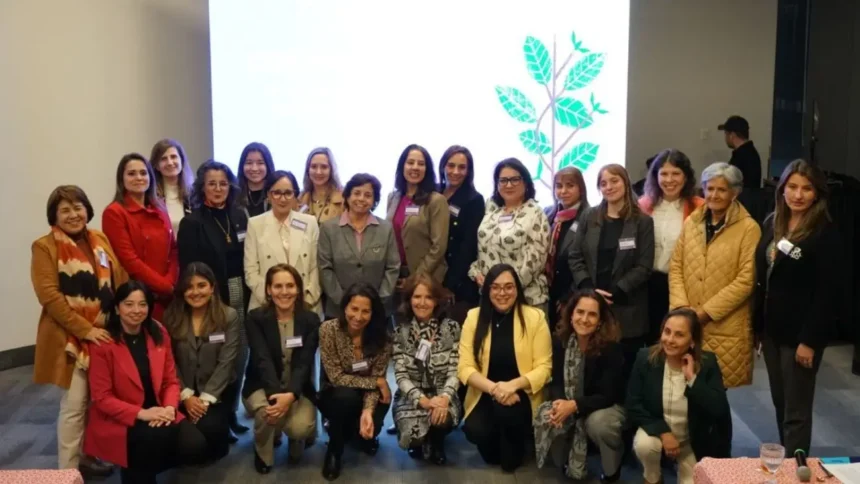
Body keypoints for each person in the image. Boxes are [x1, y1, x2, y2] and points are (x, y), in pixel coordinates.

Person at [31, 185, 128, 476]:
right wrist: (85, 329)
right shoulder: (44, 246)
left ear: (87, 209)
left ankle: (86, 457)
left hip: (105, 331)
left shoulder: (99, 238)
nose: (73, 215)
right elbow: (49, 296)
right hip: (70, 337)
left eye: (78, 207)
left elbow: (118, 277)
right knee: (74, 405)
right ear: (54, 215)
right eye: (65, 210)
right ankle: (67, 472)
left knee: (95, 402)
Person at [753, 159, 843, 456]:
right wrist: (758, 327)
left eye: (806, 188)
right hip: (772, 331)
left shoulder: (825, 232)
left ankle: (795, 467)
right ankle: (787, 459)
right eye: (792, 187)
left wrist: (810, 341)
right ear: (782, 189)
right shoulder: (772, 222)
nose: (798, 195)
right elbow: (763, 278)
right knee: (780, 402)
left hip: (800, 336)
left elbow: (828, 294)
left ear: (817, 193)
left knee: (797, 410)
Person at [84, 281, 207, 484]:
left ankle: (139, 471)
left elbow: (170, 380)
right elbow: (102, 398)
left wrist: (168, 407)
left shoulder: (158, 332)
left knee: (195, 444)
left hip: (158, 409)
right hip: (123, 417)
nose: (136, 310)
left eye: (142, 304)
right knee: (150, 442)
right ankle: (137, 474)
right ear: (117, 307)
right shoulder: (103, 343)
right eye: (129, 304)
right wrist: (142, 414)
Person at [669, 162, 760, 388]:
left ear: (735, 192)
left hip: (724, 325)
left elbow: (746, 280)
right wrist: (682, 308)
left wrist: (704, 313)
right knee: (683, 391)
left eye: (722, 189)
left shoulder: (749, 228)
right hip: (686, 321)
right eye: (709, 189)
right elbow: (676, 266)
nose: (714, 195)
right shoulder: (692, 222)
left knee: (715, 397)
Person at [177, 160, 251, 438]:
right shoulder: (192, 222)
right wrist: (202, 295)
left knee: (239, 355)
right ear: (202, 187)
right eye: (212, 183)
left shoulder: (239, 215)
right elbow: (189, 268)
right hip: (210, 296)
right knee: (215, 356)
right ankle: (212, 412)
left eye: (223, 183)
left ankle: (230, 412)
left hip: (240, 293)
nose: (218, 188)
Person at [458, 264, 552, 473]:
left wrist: (512, 386)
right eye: (496, 287)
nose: (502, 293)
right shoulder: (474, 317)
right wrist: (496, 389)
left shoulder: (535, 317)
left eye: (509, 287)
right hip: (485, 391)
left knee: (509, 463)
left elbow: (544, 368)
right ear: (487, 290)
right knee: (477, 433)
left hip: (521, 394)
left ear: (517, 289)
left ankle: (515, 439)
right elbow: (464, 367)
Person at [626, 308, 732, 484]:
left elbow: (719, 408)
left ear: (692, 342)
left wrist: (692, 379)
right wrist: (663, 432)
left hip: (692, 442)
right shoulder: (645, 358)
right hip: (659, 437)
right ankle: (652, 476)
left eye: (679, 335)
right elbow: (633, 404)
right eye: (667, 332)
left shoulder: (708, 363)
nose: (670, 340)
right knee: (645, 446)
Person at [569, 164, 654, 380]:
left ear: (625, 182)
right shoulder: (589, 217)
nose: (609, 187)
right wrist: (589, 290)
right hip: (592, 306)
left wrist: (616, 291)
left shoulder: (642, 221)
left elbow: (644, 266)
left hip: (627, 308)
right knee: (595, 372)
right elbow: (575, 255)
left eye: (614, 181)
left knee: (625, 372)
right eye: (603, 183)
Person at [534, 290, 625, 483]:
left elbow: (608, 394)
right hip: (573, 403)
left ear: (600, 320)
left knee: (597, 424)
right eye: (580, 312)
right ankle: (564, 460)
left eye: (592, 314)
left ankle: (612, 472)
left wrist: (574, 406)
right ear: (571, 314)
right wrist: (560, 404)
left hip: (606, 408)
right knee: (547, 413)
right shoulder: (561, 341)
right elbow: (557, 380)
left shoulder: (611, 347)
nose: (584, 319)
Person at [244, 264, 320, 473]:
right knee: (267, 414)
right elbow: (262, 360)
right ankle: (263, 453)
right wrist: (277, 395)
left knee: (300, 427)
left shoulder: (310, 320)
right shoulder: (255, 318)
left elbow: (304, 363)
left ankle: (296, 440)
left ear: (298, 289)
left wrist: (291, 395)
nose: (284, 292)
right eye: (277, 286)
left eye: (290, 286)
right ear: (268, 289)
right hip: (262, 384)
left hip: (297, 387)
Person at [163, 262, 240, 462]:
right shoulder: (171, 317)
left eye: (201, 285)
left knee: (212, 433)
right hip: (182, 390)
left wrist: (204, 401)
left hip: (216, 393)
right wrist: (186, 396)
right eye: (189, 287)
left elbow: (227, 362)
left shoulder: (228, 316)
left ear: (212, 287)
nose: (195, 292)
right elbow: (168, 361)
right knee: (187, 441)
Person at [318, 283, 393, 481]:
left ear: (373, 313)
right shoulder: (328, 330)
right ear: (345, 307)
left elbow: (378, 379)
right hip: (335, 393)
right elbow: (335, 377)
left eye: (365, 311)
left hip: (365, 394)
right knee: (345, 397)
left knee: (374, 417)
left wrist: (368, 410)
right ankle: (334, 449)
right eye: (354, 309)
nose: (358, 317)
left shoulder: (382, 339)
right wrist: (376, 381)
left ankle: (357, 434)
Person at [391, 274, 461, 464]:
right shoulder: (400, 331)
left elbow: (455, 370)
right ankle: (420, 441)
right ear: (409, 299)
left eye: (429, 297)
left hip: (443, 394)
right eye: (417, 296)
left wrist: (444, 397)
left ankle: (437, 442)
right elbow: (400, 374)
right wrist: (421, 399)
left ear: (437, 301)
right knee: (413, 438)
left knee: (442, 418)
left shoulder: (452, 328)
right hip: (411, 397)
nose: (422, 303)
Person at [102, 153, 178, 321]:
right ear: (122, 179)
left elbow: (172, 250)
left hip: (169, 298)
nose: (138, 178)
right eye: (131, 173)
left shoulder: (160, 207)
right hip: (138, 301)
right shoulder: (114, 213)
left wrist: (171, 283)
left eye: (143, 173)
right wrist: (165, 286)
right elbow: (129, 260)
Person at [638, 149, 704, 344]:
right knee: (650, 341)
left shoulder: (699, 208)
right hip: (646, 285)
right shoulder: (642, 206)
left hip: (682, 286)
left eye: (676, 173)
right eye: (664, 174)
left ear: (686, 177)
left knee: (677, 340)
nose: (669, 180)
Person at [469, 158, 551, 312]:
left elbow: (535, 260)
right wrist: (476, 272)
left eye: (515, 179)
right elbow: (484, 249)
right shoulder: (492, 211)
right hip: (490, 298)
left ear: (525, 182)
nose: (508, 185)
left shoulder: (535, 212)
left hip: (526, 300)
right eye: (503, 180)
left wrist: (505, 290)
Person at [318, 173, 400, 318]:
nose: (361, 199)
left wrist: (376, 302)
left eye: (368, 195)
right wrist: (344, 301)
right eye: (356, 193)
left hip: (376, 311)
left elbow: (392, 268)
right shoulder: (329, 228)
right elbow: (325, 269)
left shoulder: (385, 228)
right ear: (347, 196)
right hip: (338, 310)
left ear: (374, 200)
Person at [245, 170, 321, 313]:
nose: (283, 198)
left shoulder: (309, 222)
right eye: (277, 193)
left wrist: (307, 300)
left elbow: (316, 267)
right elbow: (251, 270)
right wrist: (271, 300)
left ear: (295, 195)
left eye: (288, 193)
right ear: (268, 195)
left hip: (305, 304)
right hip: (265, 306)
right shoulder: (255, 224)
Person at [386, 144, 450, 286]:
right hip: (395, 276)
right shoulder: (393, 197)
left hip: (426, 278)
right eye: (410, 162)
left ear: (427, 170)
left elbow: (438, 247)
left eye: (421, 164)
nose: (415, 167)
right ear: (402, 166)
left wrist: (416, 277)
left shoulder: (436, 200)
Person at [437, 145, 484, 323]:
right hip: (431, 277)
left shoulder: (474, 199)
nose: (455, 171)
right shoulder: (434, 192)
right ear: (443, 166)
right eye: (451, 165)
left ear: (469, 171)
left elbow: (468, 246)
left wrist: (449, 285)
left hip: (458, 285)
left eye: (462, 167)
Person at [545, 167, 590, 329]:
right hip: (546, 292)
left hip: (572, 294)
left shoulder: (589, 216)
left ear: (581, 188)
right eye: (559, 186)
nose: (563, 191)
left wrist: (569, 298)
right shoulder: (549, 214)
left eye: (570, 186)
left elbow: (587, 261)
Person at [718, 115, 763, 221]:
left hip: (743, 209)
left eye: (725, 134)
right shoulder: (749, 152)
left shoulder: (742, 156)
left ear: (731, 135)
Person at [150, 139, 193, 236]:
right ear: (156, 165)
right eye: (163, 159)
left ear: (181, 160)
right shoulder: (150, 198)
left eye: (173, 157)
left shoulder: (194, 195)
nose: (170, 162)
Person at [297, 147, 345, 223]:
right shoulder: (300, 199)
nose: (318, 172)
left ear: (331, 170)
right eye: (314, 166)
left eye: (324, 167)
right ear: (307, 170)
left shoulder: (344, 199)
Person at [236, 142, 276, 219]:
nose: (254, 168)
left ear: (268, 165)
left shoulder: (277, 195)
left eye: (260, 163)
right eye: (249, 163)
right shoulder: (233, 196)